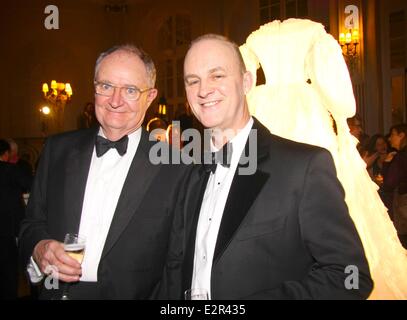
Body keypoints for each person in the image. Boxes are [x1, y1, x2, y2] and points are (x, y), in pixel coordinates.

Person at [160, 34, 373, 300]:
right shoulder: (190, 171)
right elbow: (176, 266)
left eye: (217, 76)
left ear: (247, 82)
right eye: (193, 81)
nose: (203, 90)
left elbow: (352, 275)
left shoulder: (304, 168)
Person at [239, 18, 407, 299]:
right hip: (304, 111)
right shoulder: (312, 32)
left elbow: (243, 82)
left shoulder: (254, 38)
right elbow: (343, 99)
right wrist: (335, 112)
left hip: (263, 109)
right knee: (320, 186)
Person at [19, 44, 188, 299]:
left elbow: (177, 262)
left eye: (130, 90)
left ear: (150, 96)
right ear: (94, 88)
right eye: (106, 86)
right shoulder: (58, 149)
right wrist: (39, 247)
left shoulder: (177, 166)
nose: (115, 101)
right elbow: (31, 223)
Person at [0, 139, 32, 299]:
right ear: (5, 154)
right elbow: (32, 185)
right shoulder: (10, 170)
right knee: (9, 269)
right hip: (8, 227)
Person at [382, 124, 407, 248]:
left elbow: (389, 183)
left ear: (401, 136)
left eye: (392, 134)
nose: (389, 138)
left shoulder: (401, 157)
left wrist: (386, 163)